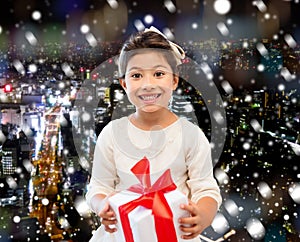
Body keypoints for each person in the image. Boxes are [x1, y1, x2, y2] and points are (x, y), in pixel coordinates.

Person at [86, 26, 222, 241]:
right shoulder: (112, 133)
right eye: (137, 75)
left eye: (158, 74)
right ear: (124, 84)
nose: (148, 85)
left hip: (175, 233)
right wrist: (102, 204)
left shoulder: (190, 135)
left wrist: (203, 215)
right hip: (122, 232)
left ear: (174, 80)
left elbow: (205, 189)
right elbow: (98, 187)